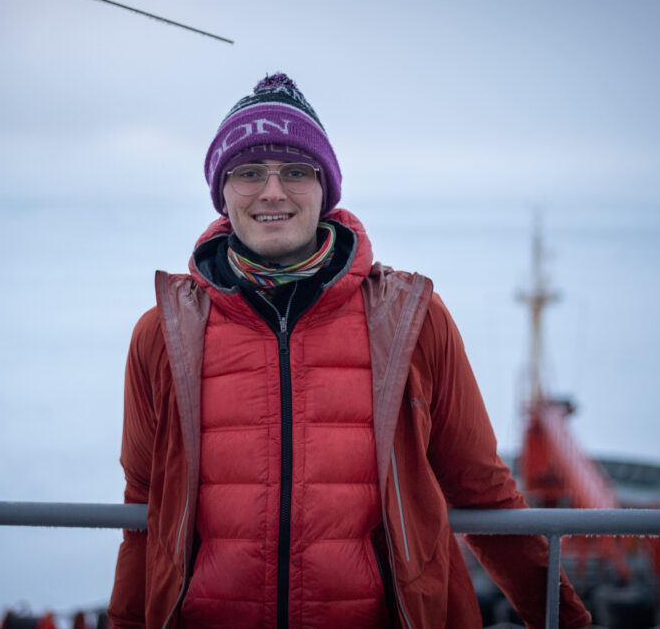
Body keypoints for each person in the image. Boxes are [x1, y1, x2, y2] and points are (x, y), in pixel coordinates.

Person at [107, 73, 591, 629]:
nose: (272, 191)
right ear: (222, 191)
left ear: (325, 188)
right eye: (248, 173)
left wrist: (568, 621)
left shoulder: (410, 320)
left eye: (295, 171)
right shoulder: (164, 334)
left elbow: (483, 492)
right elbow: (145, 508)